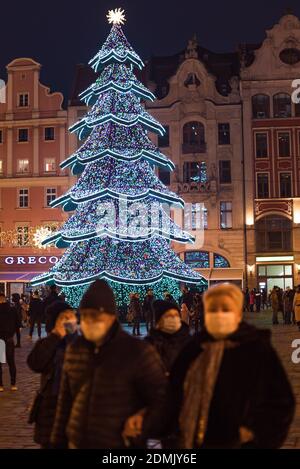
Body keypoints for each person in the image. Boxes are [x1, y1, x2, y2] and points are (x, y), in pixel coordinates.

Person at [167, 283, 295, 449]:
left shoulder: (256, 347)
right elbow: (172, 393)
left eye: (225, 309)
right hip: (196, 442)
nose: (219, 314)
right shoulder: (194, 348)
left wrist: (256, 435)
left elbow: (281, 402)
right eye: (213, 309)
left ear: (237, 313)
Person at [50, 279, 167, 449]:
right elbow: (65, 403)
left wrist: (143, 419)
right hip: (77, 442)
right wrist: (57, 442)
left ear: (112, 316)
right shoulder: (75, 349)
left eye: (96, 316)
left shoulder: (137, 351)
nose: (89, 321)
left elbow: (162, 399)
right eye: (85, 316)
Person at [27, 301, 77, 448]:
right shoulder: (48, 342)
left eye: (71, 317)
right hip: (50, 410)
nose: (69, 321)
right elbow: (35, 363)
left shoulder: (81, 343)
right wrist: (56, 335)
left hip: (75, 411)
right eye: (64, 318)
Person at [145, 300, 192, 375]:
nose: (173, 318)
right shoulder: (149, 344)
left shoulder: (189, 341)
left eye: (176, 315)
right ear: (159, 320)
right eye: (169, 316)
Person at [0, 293, 21, 392]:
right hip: (9, 338)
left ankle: (0, 385)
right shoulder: (12, 309)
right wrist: (18, 339)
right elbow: (17, 325)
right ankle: (13, 384)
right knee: (11, 362)